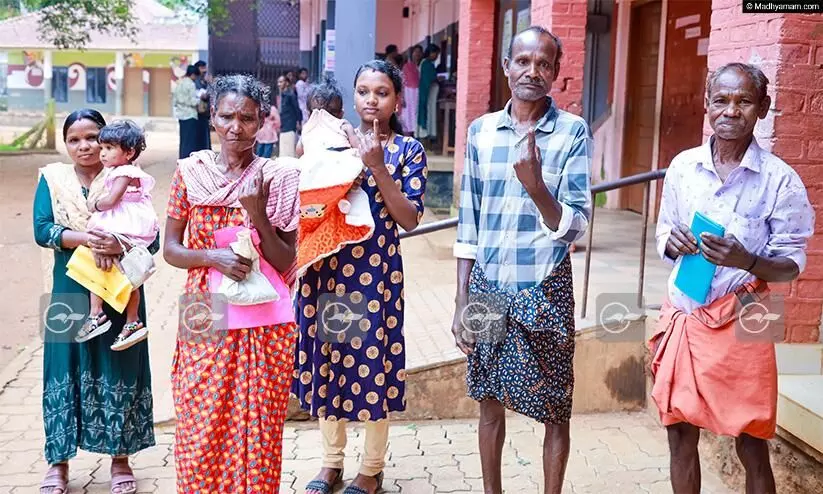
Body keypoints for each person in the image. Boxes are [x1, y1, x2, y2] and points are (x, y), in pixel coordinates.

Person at [650, 62, 814, 494]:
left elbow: (793, 263)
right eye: (721, 100)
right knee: (680, 434)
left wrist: (748, 260)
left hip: (747, 312)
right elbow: (663, 230)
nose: (730, 111)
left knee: (752, 440)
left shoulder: (781, 181)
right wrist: (673, 242)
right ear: (707, 105)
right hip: (686, 310)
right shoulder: (683, 167)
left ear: (763, 107)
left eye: (744, 101)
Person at [451, 27, 592, 494]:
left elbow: (577, 224)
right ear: (506, 66)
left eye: (544, 64)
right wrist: (460, 300)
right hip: (488, 286)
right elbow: (468, 222)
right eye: (523, 61)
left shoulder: (571, 132)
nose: (533, 71)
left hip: (545, 288)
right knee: (489, 402)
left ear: (555, 72)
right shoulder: (480, 131)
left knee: (555, 406)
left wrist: (537, 188)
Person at [293, 59, 428, 494]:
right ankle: (330, 463)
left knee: (374, 366)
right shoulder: (332, 142)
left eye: (382, 92)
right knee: (331, 363)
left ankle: (371, 468)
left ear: (397, 100)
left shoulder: (409, 152)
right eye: (364, 91)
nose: (372, 100)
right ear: (353, 97)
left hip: (376, 276)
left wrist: (377, 167)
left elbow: (409, 218)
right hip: (329, 270)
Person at [164, 74, 301, 492]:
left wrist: (257, 214)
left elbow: (287, 260)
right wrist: (212, 257)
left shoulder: (278, 178)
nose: (235, 127)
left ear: (262, 123)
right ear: (213, 118)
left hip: (264, 318)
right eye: (227, 116)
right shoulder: (190, 174)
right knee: (199, 419)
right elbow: (170, 249)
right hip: (205, 305)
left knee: (257, 424)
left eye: (247, 118)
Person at [35, 109, 157, 494]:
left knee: (119, 363)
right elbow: (43, 229)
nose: (85, 146)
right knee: (62, 367)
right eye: (75, 139)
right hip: (69, 287)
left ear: (111, 142)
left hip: (121, 287)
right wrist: (89, 239)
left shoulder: (125, 176)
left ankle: (120, 459)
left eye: (94, 137)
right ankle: (58, 462)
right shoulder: (52, 179)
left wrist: (118, 242)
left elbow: (150, 234)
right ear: (66, 144)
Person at [75, 120, 159, 351]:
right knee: (127, 275)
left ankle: (99, 314)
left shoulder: (124, 172)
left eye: (109, 148)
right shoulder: (125, 170)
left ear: (129, 152)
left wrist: (95, 205)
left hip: (123, 225)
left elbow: (111, 200)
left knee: (103, 266)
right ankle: (129, 320)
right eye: (102, 148)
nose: (102, 154)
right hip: (126, 224)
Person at [173, 65, 201, 159]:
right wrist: (200, 99)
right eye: (196, 76)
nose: (196, 78)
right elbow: (193, 101)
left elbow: (175, 100)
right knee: (190, 142)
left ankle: (182, 159)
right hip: (190, 115)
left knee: (183, 140)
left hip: (181, 115)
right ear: (193, 74)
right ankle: (188, 161)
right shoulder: (191, 84)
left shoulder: (179, 83)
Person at [417, 45, 441, 142]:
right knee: (426, 112)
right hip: (427, 93)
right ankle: (426, 136)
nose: (436, 56)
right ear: (431, 52)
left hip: (426, 92)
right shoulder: (427, 64)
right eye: (436, 53)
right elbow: (430, 79)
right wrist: (437, 79)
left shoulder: (424, 63)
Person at [400, 45, 423, 137]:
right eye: (415, 52)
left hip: (418, 93)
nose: (417, 54)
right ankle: (407, 137)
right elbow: (402, 82)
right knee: (407, 115)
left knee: (415, 114)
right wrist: (402, 97)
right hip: (408, 93)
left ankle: (414, 136)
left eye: (419, 52)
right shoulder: (407, 66)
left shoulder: (421, 65)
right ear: (412, 53)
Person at [278, 74, 302, 157]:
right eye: (278, 82)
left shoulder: (290, 95)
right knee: (283, 152)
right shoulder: (281, 95)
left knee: (289, 152)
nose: (279, 84)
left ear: (287, 83)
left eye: (281, 82)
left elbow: (297, 109)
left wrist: (299, 122)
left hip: (289, 125)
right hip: (283, 126)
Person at [193, 60, 212, 151]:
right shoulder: (195, 81)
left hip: (205, 112)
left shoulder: (205, 80)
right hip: (198, 112)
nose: (204, 70)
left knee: (205, 134)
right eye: (202, 68)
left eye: (205, 68)